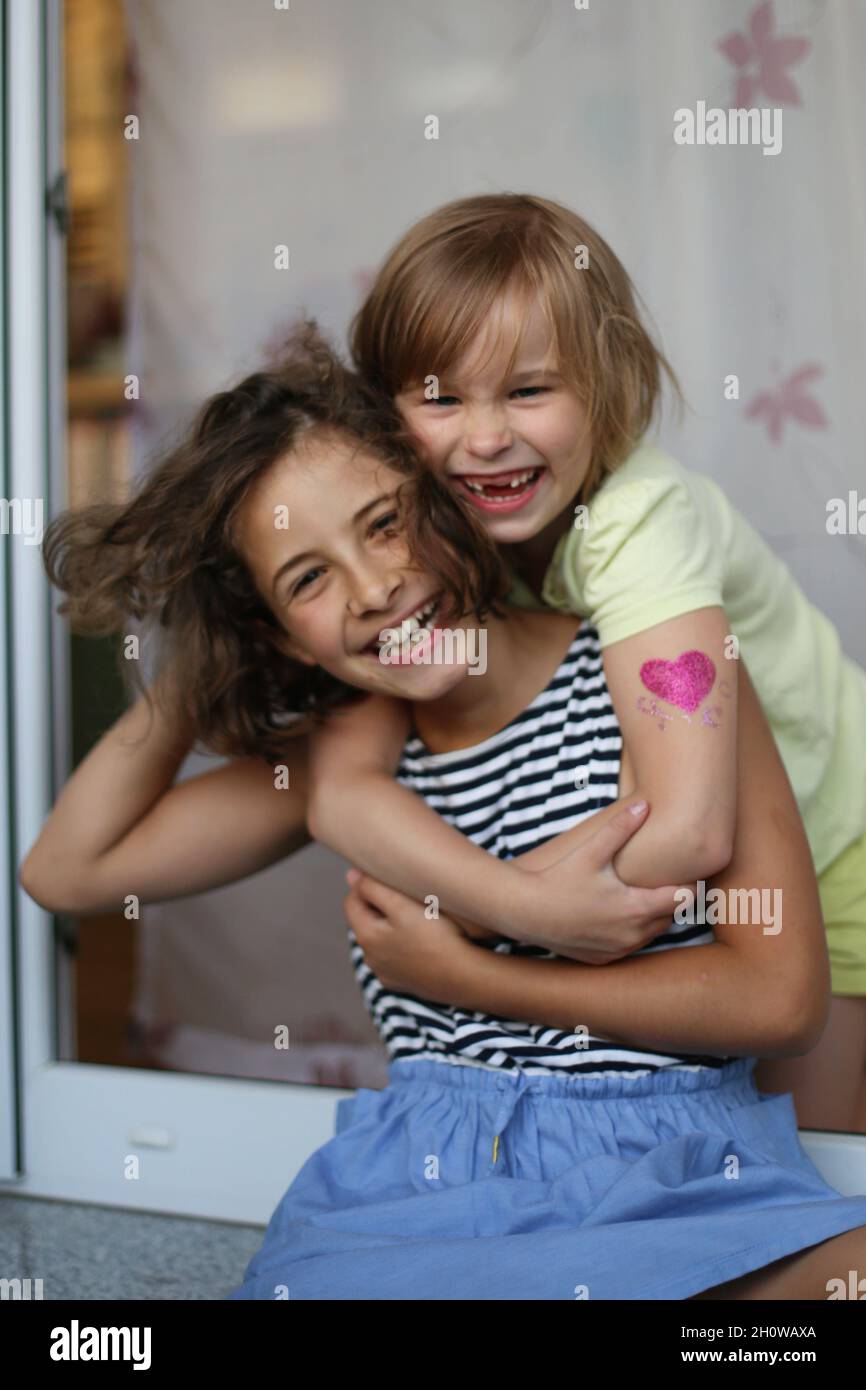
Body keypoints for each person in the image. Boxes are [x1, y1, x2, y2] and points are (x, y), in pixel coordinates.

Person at [21, 326, 866, 1299]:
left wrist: (470, 974)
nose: (374, 587)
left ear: (441, 498)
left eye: (383, 523)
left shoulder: (656, 680)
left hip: (662, 1193)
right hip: (413, 1204)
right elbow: (67, 869)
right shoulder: (341, 767)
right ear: (277, 631)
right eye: (307, 579)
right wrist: (207, 645)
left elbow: (780, 999)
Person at [304, 191, 866, 1132]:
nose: (485, 438)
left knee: (814, 1159)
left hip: (839, 842)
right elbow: (336, 793)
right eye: (441, 397)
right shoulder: (445, 540)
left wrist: (486, 921)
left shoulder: (637, 522)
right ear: (387, 415)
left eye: (528, 390)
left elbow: (688, 833)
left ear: (605, 388)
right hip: (715, 893)